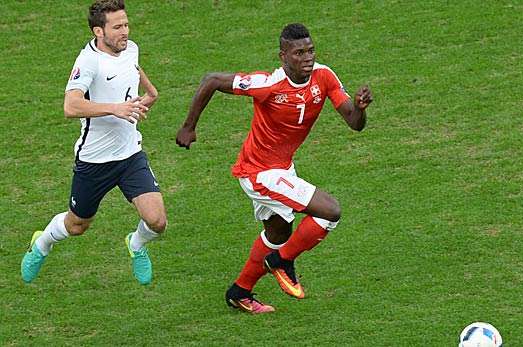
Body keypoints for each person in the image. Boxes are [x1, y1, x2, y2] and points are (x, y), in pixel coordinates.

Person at [176, 23, 373, 314]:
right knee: (330, 211)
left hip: (282, 169)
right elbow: (211, 80)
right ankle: (281, 260)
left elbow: (354, 124)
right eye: (298, 53)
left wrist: (359, 108)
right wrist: (188, 127)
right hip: (259, 173)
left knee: (278, 232)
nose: (307, 58)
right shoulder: (267, 85)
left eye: (310, 50)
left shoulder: (324, 76)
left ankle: (239, 291)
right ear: (283, 56)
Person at [21, 0, 167, 286]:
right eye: (117, 27)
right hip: (94, 161)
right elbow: (71, 106)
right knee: (77, 226)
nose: (125, 31)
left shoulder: (130, 47)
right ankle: (41, 244)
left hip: (130, 155)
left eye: (126, 24)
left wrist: (150, 93)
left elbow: (133, 70)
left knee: (157, 221)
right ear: (99, 31)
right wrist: (115, 108)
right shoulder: (87, 61)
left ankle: (135, 245)